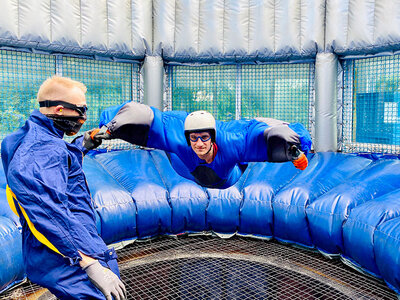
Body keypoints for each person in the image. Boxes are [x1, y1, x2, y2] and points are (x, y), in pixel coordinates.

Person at [1, 76, 126, 300]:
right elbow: (48, 211)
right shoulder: (42, 148)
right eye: (81, 111)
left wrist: (84, 143)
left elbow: (57, 166)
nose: (83, 118)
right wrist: (89, 263)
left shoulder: (35, 137)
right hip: (68, 255)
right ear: (60, 109)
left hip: (62, 247)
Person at [93, 101, 311, 189]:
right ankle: (164, 146)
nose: (198, 143)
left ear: (213, 137)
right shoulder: (180, 139)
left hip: (227, 176)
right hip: (184, 167)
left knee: (246, 147)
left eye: (204, 138)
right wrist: (109, 126)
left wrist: (294, 149)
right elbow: (146, 114)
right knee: (167, 142)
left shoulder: (232, 142)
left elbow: (259, 132)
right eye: (194, 138)